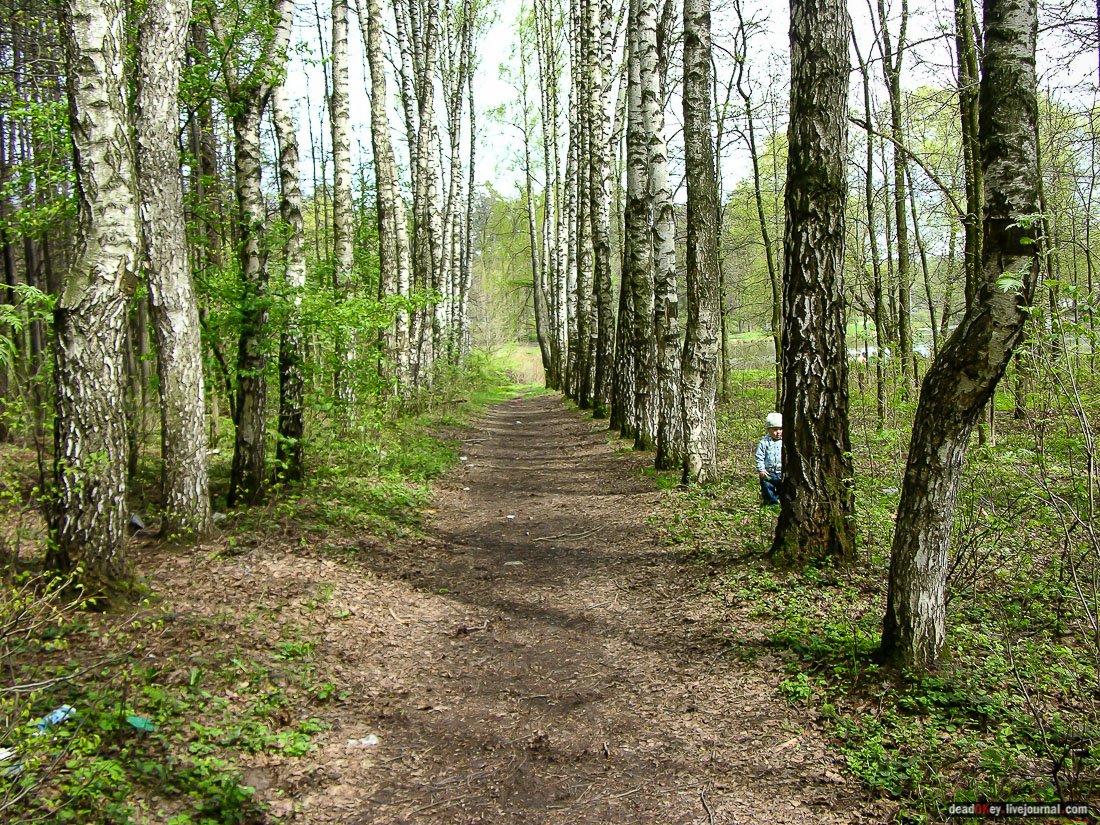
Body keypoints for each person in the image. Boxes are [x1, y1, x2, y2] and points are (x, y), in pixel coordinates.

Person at [755, 412, 783, 506]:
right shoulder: (764, 442)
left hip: (782, 472)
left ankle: (782, 504)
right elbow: (760, 457)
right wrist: (761, 470)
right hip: (768, 472)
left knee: (783, 490)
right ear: (768, 429)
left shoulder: (785, 442)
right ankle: (771, 505)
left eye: (780, 429)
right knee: (768, 489)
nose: (778, 432)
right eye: (775, 429)